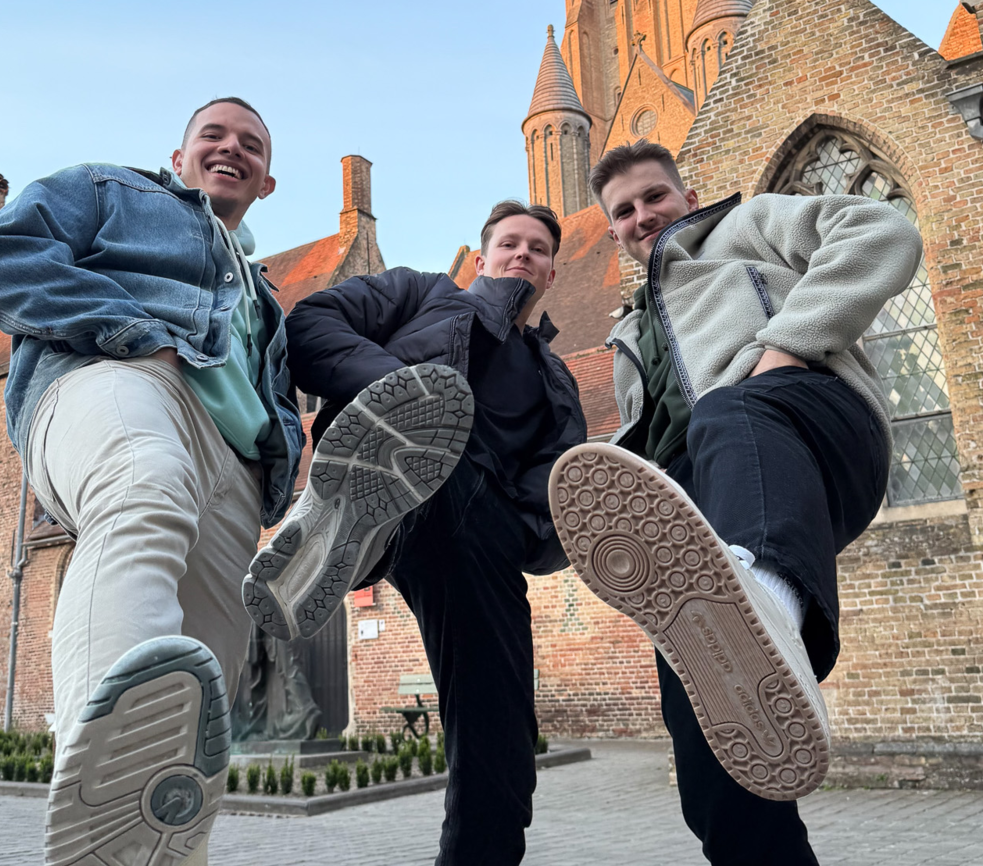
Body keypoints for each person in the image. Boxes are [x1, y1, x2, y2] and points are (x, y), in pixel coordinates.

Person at [548, 140, 922, 865]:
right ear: (614, 231)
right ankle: (734, 625)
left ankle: (769, 608)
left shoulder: (745, 227)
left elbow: (883, 231)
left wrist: (784, 346)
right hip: (711, 515)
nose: (640, 216)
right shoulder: (626, 333)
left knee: (728, 411)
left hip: (812, 425)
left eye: (654, 197)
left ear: (688, 200)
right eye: (622, 211)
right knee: (715, 766)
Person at [0, 97, 303, 866]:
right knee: (143, 484)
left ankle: (157, 844)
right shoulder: (110, 191)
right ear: (177, 160)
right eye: (211, 135)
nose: (230, 148)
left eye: (251, 144)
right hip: (115, 379)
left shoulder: (264, 296)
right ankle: (105, 789)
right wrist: (139, 337)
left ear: (267, 183)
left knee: (200, 675)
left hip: (234, 470)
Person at [245, 201, 587, 864]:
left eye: (538, 249)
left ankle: (353, 529)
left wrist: (528, 533)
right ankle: (364, 501)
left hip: (483, 543)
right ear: (481, 259)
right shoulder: (421, 293)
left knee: (502, 745)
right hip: (406, 478)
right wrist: (400, 392)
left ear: (550, 272)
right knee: (440, 430)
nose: (523, 254)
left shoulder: (558, 383)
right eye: (509, 243)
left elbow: (558, 495)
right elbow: (312, 324)